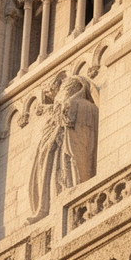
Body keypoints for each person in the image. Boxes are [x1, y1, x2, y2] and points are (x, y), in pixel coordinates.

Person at [29, 78, 99, 221]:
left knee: (68, 172)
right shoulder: (68, 106)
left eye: (65, 89)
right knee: (52, 173)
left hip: (70, 150)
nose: (60, 95)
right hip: (56, 151)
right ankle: (48, 207)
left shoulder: (80, 105)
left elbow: (74, 128)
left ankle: (72, 198)